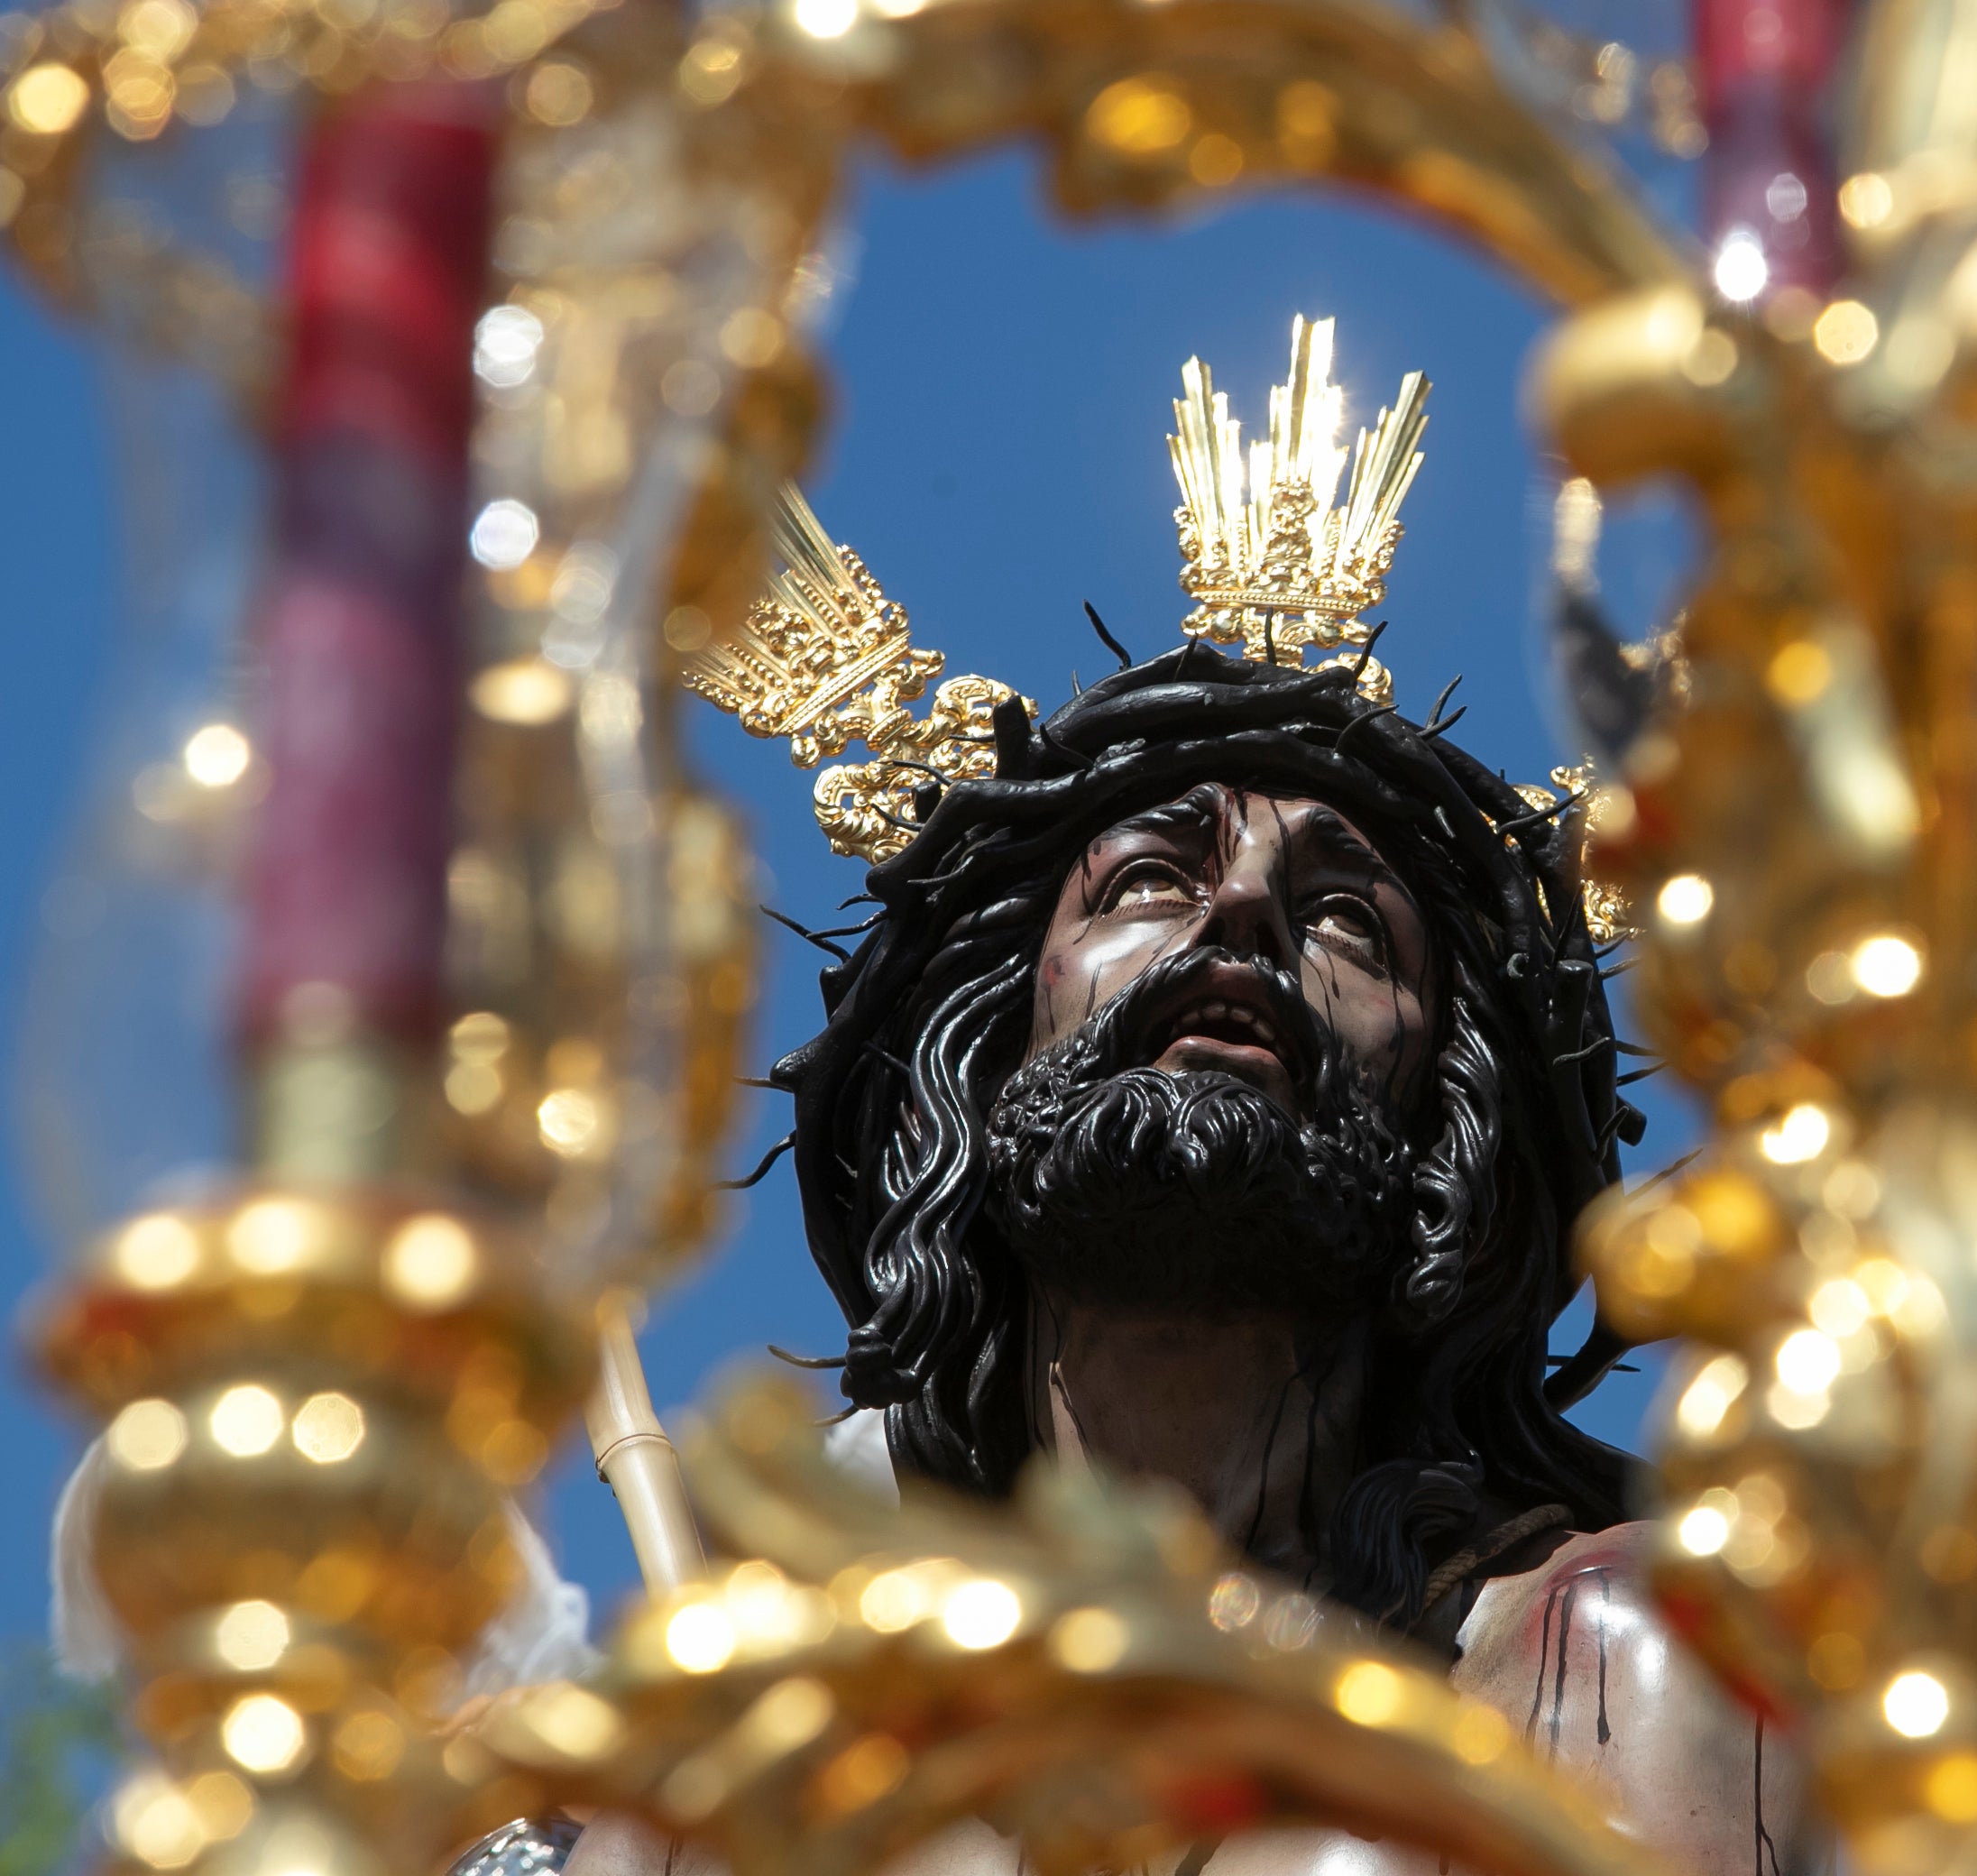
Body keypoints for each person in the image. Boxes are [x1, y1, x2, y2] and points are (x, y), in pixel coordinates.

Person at [564, 322, 1825, 1876]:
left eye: (1350, 917)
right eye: (1151, 877)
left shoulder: (1614, 1666)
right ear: (991, 1039)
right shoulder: (761, 1753)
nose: (1240, 917)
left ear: (1453, 1119)